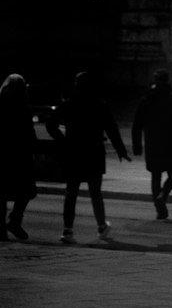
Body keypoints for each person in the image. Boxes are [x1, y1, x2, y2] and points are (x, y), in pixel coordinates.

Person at [45, 71, 130, 242]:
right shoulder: (100, 105)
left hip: (74, 152)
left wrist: (63, 140)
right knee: (95, 192)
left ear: (76, 86)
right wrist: (121, 151)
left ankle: (67, 230)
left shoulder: (68, 105)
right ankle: (101, 226)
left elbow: (50, 124)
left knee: (71, 193)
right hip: (94, 153)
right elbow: (112, 130)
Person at [131, 70, 172, 220]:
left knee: (155, 175)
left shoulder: (146, 99)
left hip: (153, 144)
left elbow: (136, 125)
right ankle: (162, 196)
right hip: (170, 143)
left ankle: (160, 209)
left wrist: (137, 146)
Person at [1, 73, 38, 241]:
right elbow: (29, 134)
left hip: (3, 154)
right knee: (26, 191)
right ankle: (15, 219)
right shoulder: (24, 107)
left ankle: (2, 229)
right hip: (20, 155)